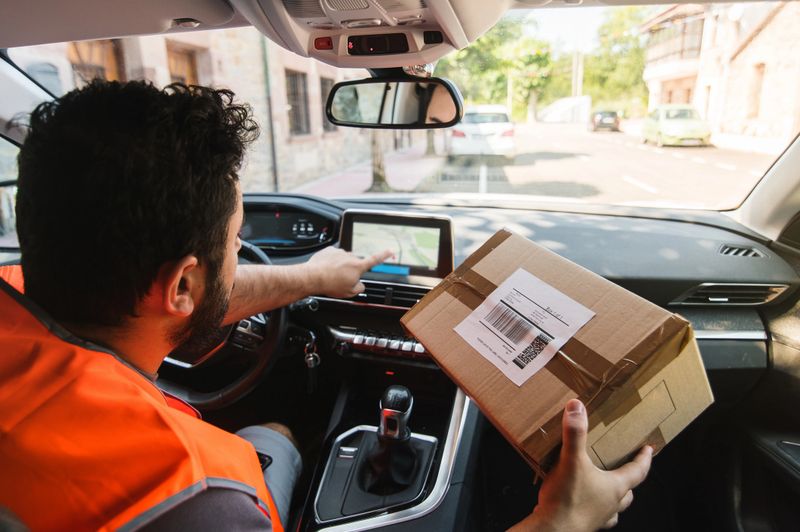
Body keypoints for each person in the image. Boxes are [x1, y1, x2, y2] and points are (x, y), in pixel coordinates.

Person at [0, 80, 650, 531]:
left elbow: (179, 300)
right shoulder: (194, 499)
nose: (240, 253)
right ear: (181, 287)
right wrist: (560, 521)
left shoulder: (23, 289)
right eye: (236, 242)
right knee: (277, 437)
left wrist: (312, 276)